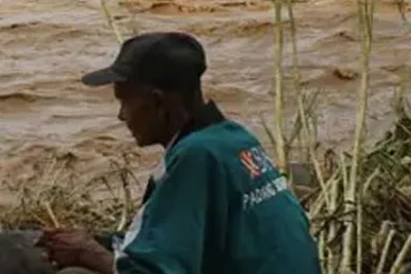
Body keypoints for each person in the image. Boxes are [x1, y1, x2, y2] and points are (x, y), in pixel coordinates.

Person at [38, 32, 321, 274]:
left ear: (158, 103)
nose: (121, 116)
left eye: (125, 101)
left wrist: (88, 253)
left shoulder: (195, 157)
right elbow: (179, 239)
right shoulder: (233, 139)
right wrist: (101, 241)